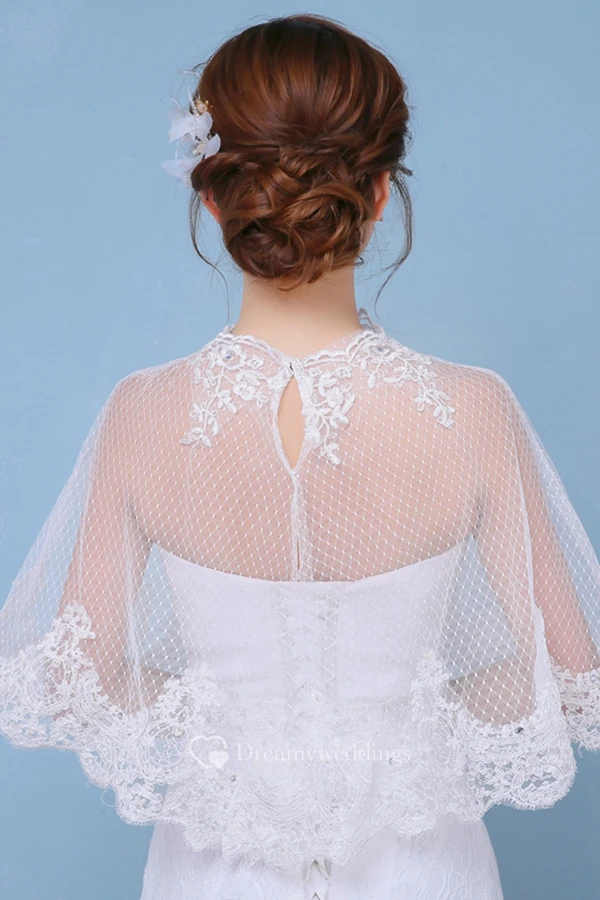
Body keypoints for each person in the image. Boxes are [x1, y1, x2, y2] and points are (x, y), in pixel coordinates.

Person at [1, 13, 599, 900]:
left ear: (215, 195)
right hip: (422, 869)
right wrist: (397, 723)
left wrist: (232, 718)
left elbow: (83, 676)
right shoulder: (474, 411)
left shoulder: (143, 414)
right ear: (381, 193)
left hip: (213, 869)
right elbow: (571, 671)